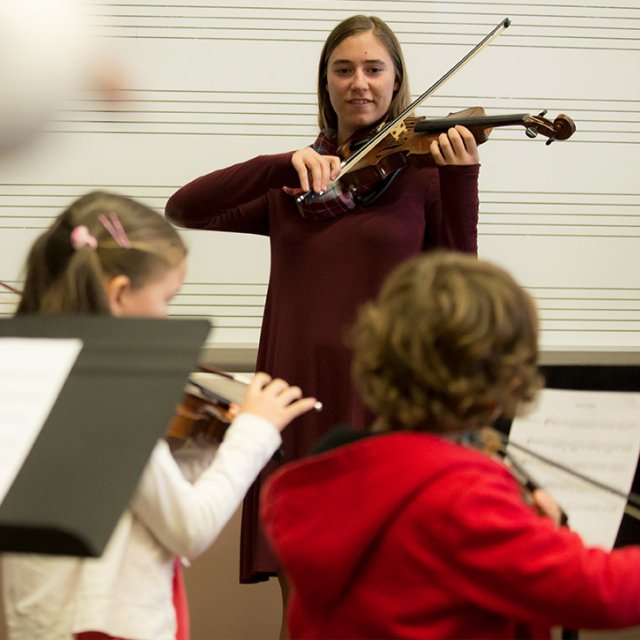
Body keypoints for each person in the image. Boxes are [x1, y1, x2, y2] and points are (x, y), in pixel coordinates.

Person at [165, 13, 481, 585]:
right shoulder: (294, 186)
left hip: (383, 397)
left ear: (395, 80)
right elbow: (185, 208)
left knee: (380, 591)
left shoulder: (424, 175)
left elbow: (461, 287)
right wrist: (279, 165)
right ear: (326, 84)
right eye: (344, 70)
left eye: (373, 69)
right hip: (295, 395)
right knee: (304, 592)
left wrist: (461, 182)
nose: (359, 82)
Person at [260, 250, 640, 639]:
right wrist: (554, 540)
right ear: (505, 381)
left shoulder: (324, 474)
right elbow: (601, 593)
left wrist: (533, 538)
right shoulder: (465, 496)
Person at [1, 191, 317, 640]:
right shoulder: (107, 398)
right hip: (107, 628)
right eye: (167, 298)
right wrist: (254, 432)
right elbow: (188, 528)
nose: (167, 315)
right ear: (120, 293)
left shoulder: (29, 377)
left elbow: (140, 499)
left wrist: (198, 448)